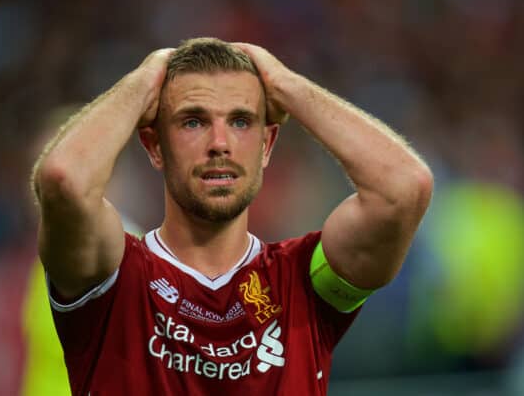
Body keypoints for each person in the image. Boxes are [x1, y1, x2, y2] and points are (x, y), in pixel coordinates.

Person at [32, 38, 433, 395]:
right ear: (154, 147)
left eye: (241, 121)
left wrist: (284, 84)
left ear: (266, 145)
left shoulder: (304, 284)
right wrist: (143, 81)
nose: (220, 144)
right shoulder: (113, 277)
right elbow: (64, 180)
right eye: (193, 121)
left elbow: (403, 189)